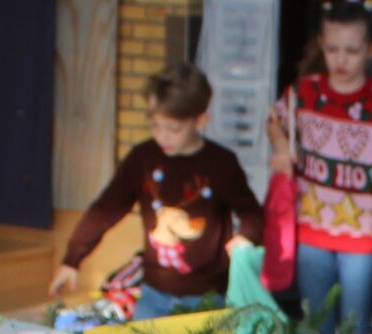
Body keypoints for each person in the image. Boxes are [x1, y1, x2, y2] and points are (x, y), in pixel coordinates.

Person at [51, 67, 263, 320]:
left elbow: (252, 213)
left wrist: (246, 236)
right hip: (154, 294)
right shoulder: (143, 159)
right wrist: (72, 259)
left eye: (173, 129)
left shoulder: (222, 164)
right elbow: (106, 209)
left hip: (207, 297)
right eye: (155, 126)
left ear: (200, 121)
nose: (163, 136)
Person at [268, 3, 372, 334]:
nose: (341, 60)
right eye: (333, 50)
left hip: (364, 235)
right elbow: (275, 120)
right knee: (316, 324)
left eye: (352, 51)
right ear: (322, 46)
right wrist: (281, 147)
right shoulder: (304, 93)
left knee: (356, 327)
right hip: (312, 229)